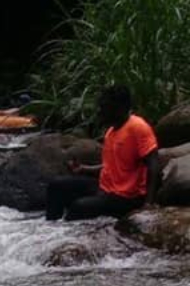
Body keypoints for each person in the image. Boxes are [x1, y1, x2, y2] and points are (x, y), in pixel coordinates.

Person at [45, 85, 160, 221]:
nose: (100, 111)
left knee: (79, 207)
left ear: (119, 107)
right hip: (105, 188)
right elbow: (110, 166)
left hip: (127, 197)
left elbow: (153, 165)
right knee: (56, 186)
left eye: (104, 107)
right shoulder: (112, 131)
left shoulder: (138, 127)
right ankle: (51, 229)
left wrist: (148, 204)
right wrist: (83, 169)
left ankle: (71, 238)